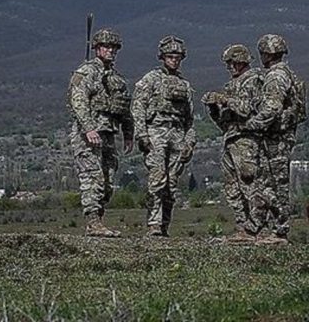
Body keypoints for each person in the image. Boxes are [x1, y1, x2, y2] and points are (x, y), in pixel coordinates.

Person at [67, 28, 134, 237]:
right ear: (97, 48)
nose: (110, 50)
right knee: (92, 177)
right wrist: (88, 128)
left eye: (113, 47)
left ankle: (99, 221)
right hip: (88, 134)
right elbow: (78, 101)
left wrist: (128, 133)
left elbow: (124, 107)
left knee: (107, 180)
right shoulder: (86, 73)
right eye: (106, 46)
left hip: (108, 133)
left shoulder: (117, 79)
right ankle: (93, 222)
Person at [245, 34, 307, 244]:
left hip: (276, 138)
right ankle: (257, 226)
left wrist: (252, 124)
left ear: (266, 54)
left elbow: (272, 108)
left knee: (277, 184)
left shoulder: (275, 76)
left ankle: (280, 231)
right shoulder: (287, 73)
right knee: (265, 183)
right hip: (279, 136)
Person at [132, 35, 194, 237]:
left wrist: (189, 142)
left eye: (177, 57)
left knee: (172, 183)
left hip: (177, 134)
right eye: (170, 57)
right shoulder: (151, 79)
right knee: (157, 180)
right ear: (163, 57)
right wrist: (142, 134)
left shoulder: (184, 85)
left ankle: (165, 224)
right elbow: (138, 107)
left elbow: (190, 119)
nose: (174, 60)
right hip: (156, 132)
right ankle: (154, 224)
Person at [201, 44, 265, 244]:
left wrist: (224, 99)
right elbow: (225, 123)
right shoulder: (233, 85)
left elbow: (246, 109)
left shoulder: (253, 80)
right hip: (231, 138)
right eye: (228, 64)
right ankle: (242, 226)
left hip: (247, 139)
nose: (229, 67)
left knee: (249, 183)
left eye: (232, 63)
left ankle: (257, 227)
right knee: (232, 187)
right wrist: (214, 108)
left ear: (241, 61)